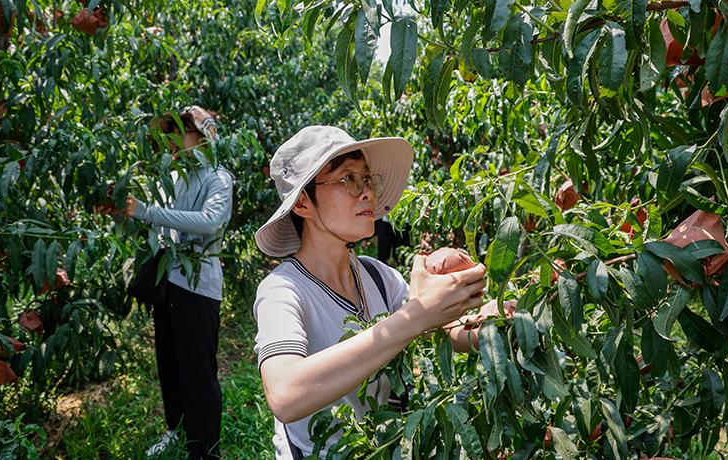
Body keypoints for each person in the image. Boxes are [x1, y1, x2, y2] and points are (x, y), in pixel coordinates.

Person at [252, 126, 488, 459]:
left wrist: (510, 315)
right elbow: (285, 395)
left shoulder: (376, 275)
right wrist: (415, 316)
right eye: (348, 180)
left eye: (367, 179)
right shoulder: (283, 290)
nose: (367, 193)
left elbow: (452, 332)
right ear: (303, 202)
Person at [98, 106, 233, 459]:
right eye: (168, 134)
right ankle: (177, 431)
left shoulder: (218, 178)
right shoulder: (171, 178)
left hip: (198, 286)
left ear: (202, 137)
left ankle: (205, 449)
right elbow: (159, 224)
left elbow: (208, 221)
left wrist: (145, 210)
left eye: (179, 133)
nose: (171, 142)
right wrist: (122, 208)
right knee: (169, 365)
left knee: (198, 373)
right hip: (168, 282)